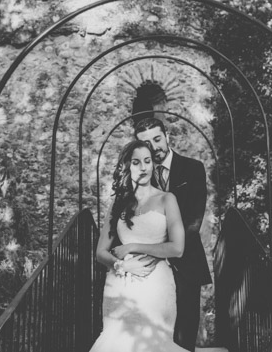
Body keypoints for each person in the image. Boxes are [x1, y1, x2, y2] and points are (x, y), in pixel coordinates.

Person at [90, 140, 189, 352]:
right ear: (127, 166)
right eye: (136, 162)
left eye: (147, 161)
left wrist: (132, 246)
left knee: (154, 344)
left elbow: (177, 248)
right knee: (116, 342)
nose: (143, 167)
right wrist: (122, 266)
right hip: (120, 284)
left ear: (153, 164)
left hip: (156, 285)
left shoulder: (167, 199)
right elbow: (100, 252)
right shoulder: (118, 203)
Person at [135, 117, 211, 352]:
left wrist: (169, 249)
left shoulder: (193, 168)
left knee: (185, 325)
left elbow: (194, 219)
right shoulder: (137, 177)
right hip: (150, 264)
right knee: (153, 326)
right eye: (147, 143)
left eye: (157, 139)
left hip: (186, 258)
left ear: (166, 135)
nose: (154, 146)